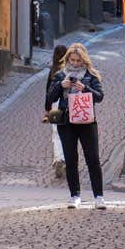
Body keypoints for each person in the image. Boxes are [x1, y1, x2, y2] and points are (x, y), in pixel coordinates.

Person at [45, 43, 106, 209]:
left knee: (93, 158)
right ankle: (75, 195)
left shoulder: (91, 75)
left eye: (78, 60)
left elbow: (99, 97)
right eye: (72, 60)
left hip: (87, 121)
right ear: (67, 59)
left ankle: (98, 197)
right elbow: (50, 97)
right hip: (67, 122)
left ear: (84, 60)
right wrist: (60, 85)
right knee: (71, 159)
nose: (75, 63)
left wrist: (85, 88)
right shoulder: (60, 75)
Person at [47, 44, 68, 177]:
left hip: (55, 104)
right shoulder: (69, 70)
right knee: (66, 133)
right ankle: (65, 159)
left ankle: (58, 158)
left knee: (56, 133)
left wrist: (47, 109)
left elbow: (48, 91)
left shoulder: (53, 71)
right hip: (66, 104)